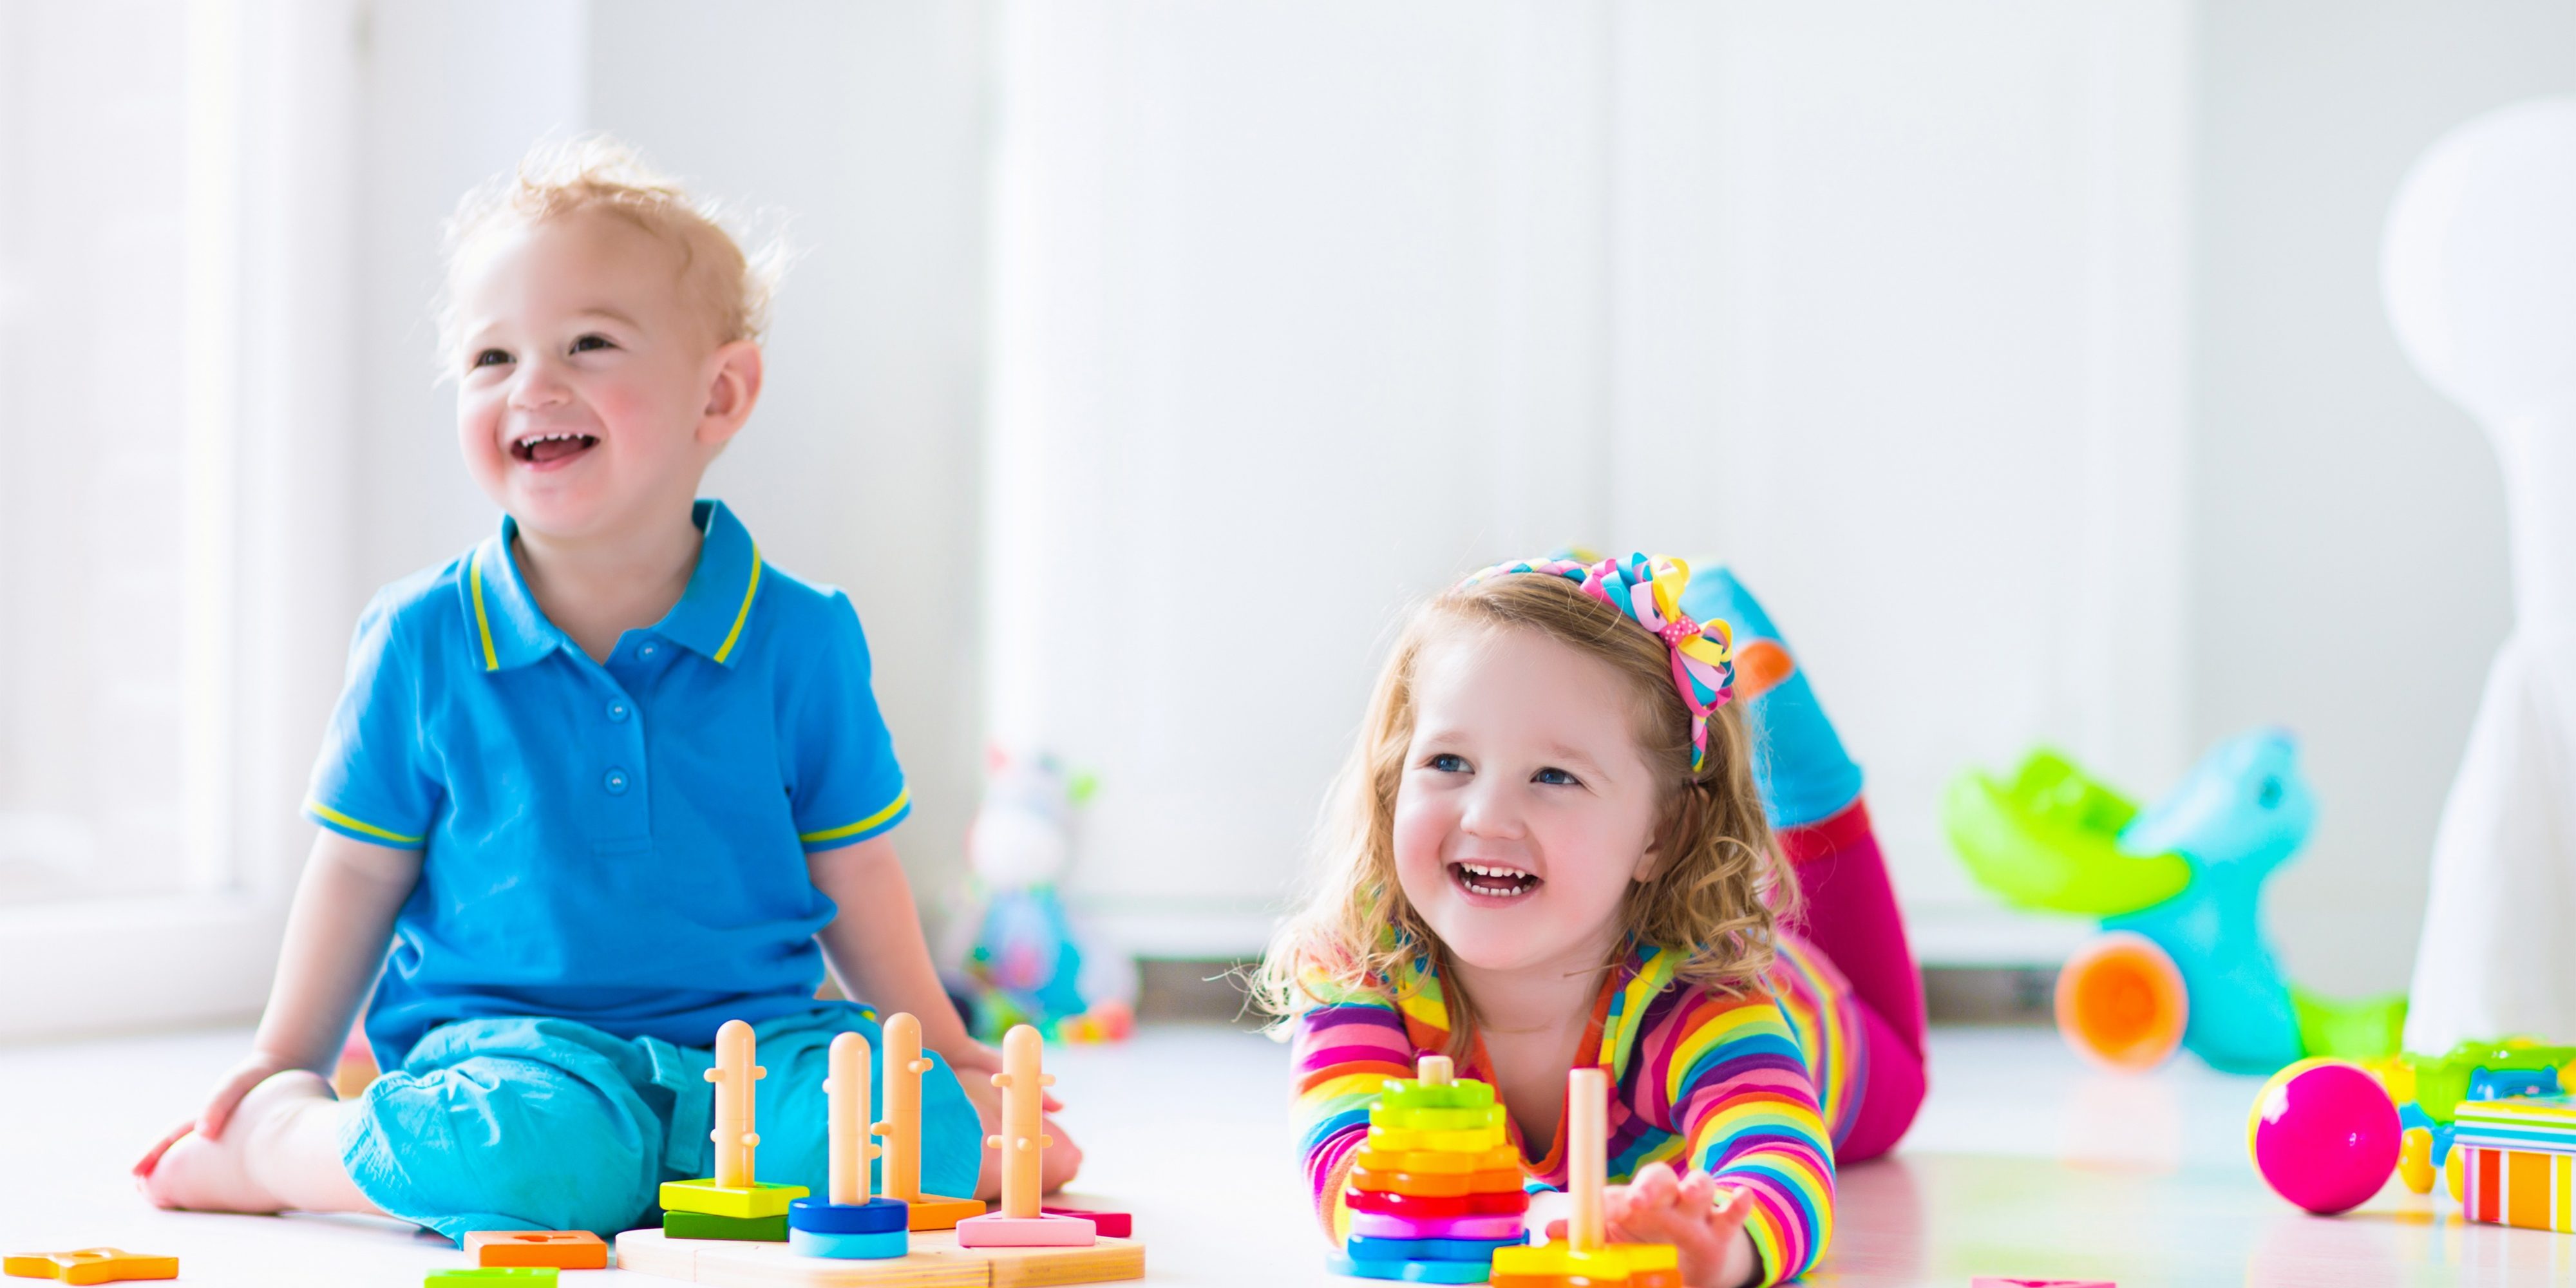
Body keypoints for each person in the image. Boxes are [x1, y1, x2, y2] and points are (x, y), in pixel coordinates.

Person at [133, 137, 1075, 1239]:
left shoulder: (802, 635)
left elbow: (854, 861)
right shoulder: (420, 638)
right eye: (491, 358)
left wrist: (941, 1042)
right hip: (509, 1054)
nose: (533, 384)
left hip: (755, 1047)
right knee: (533, 1160)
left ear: (718, 394)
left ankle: (739, 1151)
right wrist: (282, 1060)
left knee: (909, 1133)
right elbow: (354, 868)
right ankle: (281, 1151)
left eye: (588, 343)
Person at [1258, 554, 1925, 1288]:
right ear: (1392, 782)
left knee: (1814, 848)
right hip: (1656, 908)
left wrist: (1716, 1245)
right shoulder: (1358, 966)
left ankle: (1795, 766)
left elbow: (1779, 1153)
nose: (1485, 815)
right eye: (1449, 760)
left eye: (1553, 775)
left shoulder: (1697, 993)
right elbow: (1350, 1171)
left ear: (1659, 836)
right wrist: (1542, 1221)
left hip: (1829, 1026)